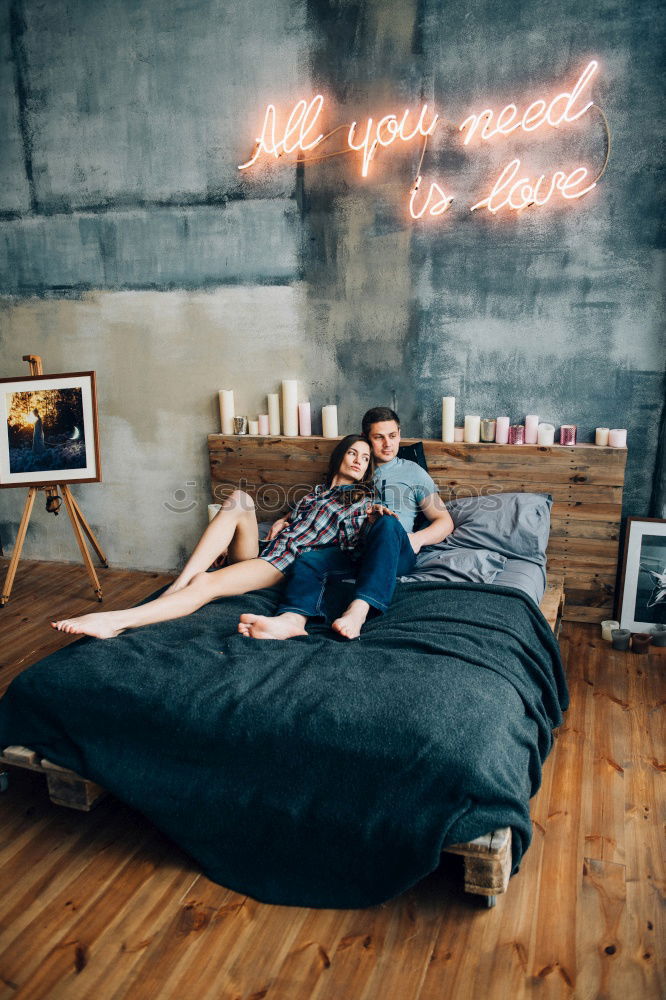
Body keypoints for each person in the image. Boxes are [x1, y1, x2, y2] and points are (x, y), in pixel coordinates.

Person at [51, 435, 384, 640]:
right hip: (268, 550)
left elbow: (356, 544)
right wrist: (283, 522)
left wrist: (373, 521)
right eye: (354, 453)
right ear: (340, 455)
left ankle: (116, 622)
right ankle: (180, 583)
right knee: (239, 498)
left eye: (366, 458)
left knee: (205, 584)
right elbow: (294, 522)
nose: (359, 461)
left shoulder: (361, 501)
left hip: (283, 563)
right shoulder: (314, 494)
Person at [239, 407, 454, 641]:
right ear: (366, 439)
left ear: (400, 434)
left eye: (393, 436)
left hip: (392, 546)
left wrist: (417, 539)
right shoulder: (355, 467)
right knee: (309, 560)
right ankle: (291, 620)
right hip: (352, 547)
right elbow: (322, 502)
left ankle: (358, 611)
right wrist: (285, 519)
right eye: (379, 437)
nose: (388, 444)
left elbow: (444, 521)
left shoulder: (412, 472)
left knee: (386, 522)